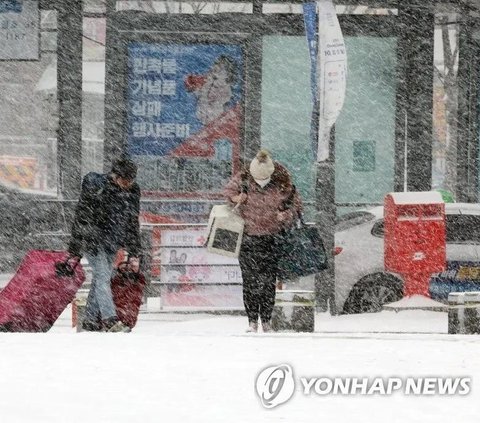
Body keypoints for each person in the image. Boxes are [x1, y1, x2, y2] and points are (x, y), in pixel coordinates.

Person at [224, 150, 302, 333]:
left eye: (264, 179)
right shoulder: (243, 179)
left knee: (268, 282)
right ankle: (252, 320)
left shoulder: (283, 183)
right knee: (250, 281)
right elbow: (227, 193)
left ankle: (266, 319)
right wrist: (236, 198)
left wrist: (286, 215)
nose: (260, 182)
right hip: (247, 238)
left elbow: (296, 206)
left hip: (272, 238)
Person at [68, 158, 142, 333]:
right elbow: (82, 218)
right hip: (93, 241)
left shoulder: (132, 191)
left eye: (131, 181)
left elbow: (132, 222)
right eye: (125, 180)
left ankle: (90, 320)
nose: (128, 184)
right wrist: (76, 248)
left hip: (112, 241)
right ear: (115, 176)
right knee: (102, 276)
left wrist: (133, 250)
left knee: (102, 277)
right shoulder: (98, 188)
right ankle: (110, 320)